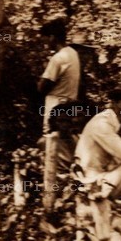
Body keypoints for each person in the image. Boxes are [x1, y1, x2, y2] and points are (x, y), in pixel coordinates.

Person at [38, 16, 82, 213]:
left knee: (54, 152)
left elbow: (42, 87)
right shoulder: (73, 53)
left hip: (56, 108)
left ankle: (56, 202)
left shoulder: (58, 58)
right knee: (68, 152)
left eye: (46, 38)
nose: (45, 43)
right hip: (69, 106)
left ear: (53, 37)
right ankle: (69, 196)